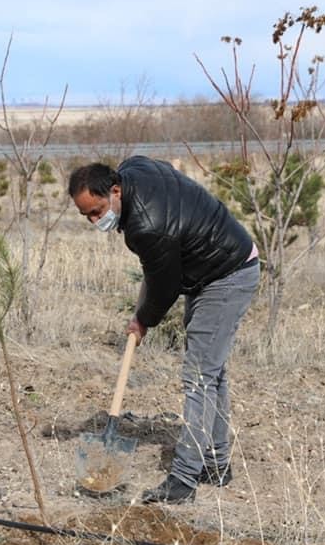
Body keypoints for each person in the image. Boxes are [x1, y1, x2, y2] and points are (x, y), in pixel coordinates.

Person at [67, 155, 260, 504]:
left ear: (114, 189)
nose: (95, 220)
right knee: (210, 373)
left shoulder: (147, 226)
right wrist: (141, 315)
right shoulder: (134, 167)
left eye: (97, 211)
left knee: (199, 376)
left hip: (227, 273)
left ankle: (184, 480)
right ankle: (216, 464)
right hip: (213, 264)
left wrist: (143, 319)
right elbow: (155, 269)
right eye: (87, 216)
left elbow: (163, 285)